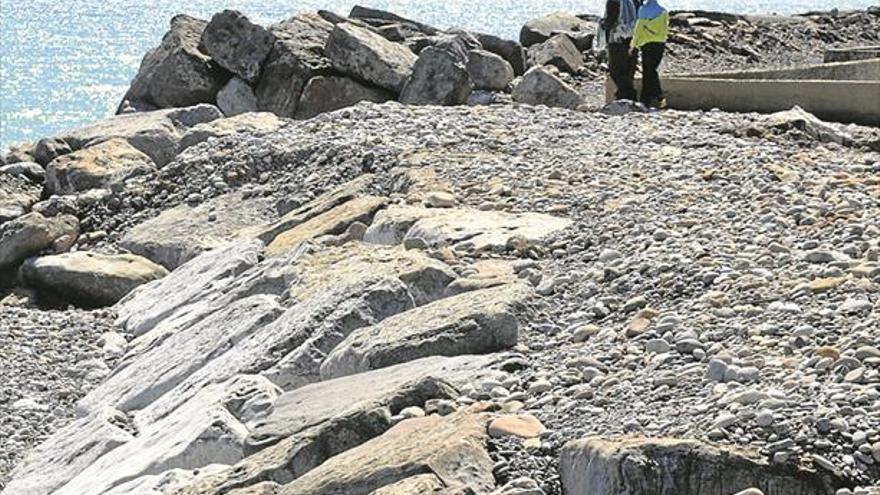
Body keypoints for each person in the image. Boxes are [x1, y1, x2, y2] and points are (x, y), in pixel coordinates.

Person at [631, 0, 670, 108]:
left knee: (649, 71)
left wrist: (633, 44)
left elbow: (638, 29)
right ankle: (648, 99)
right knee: (651, 71)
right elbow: (665, 29)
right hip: (660, 44)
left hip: (647, 44)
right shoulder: (663, 12)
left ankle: (658, 97)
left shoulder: (643, 10)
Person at [602, 0, 641, 101]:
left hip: (617, 39)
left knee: (616, 70)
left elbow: (610, 20)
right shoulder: (636, 2)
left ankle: (626, 96)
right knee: (629, 69)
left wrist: (603, 24)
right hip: (633, 39)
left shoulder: (614, 1)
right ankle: (629, 97)